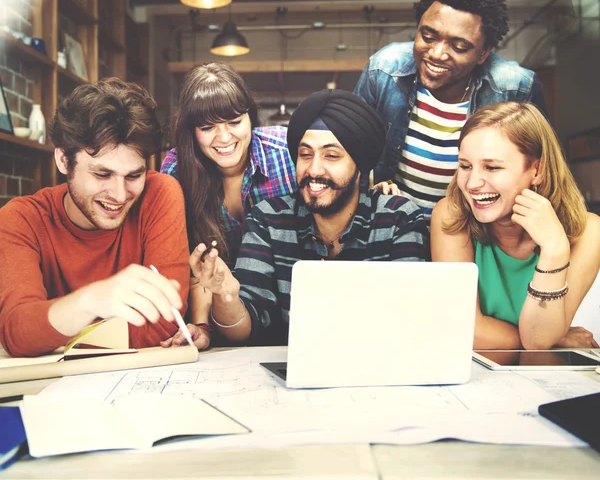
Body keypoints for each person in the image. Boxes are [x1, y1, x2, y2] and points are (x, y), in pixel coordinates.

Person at [166, 89, 428, 348]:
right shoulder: (269, 219)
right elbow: (242, 330)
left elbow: (412, 322)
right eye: (305, 154)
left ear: (360, 164)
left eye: (332, 156)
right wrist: (226, 294)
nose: (314, 169)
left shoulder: (398, 220)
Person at [0, 78, 190, 357]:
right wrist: (91, 301)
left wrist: (53, 334)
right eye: (102, 174)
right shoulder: (20, 219)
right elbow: (18, 333)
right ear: (64, 160)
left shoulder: (159, 193)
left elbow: (164, 324)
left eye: (134, 175)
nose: (119, 193)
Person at [355, 0, 547, 221]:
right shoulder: (384, 70)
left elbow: (543, 171)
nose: (436, 54)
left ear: (483, 54)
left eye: (458, 47)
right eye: (428, 36)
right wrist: (369, 196)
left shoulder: (515, 87)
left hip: (474, 228)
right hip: (395, 225)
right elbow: (351, 152)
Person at [431, 102, 600, 350]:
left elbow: (539, 342)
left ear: (537, 170)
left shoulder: (589, 232)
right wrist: (555, 341)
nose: (472, 183)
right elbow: (466, 330)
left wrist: (554, 249)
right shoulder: (450, 214)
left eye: (492, 167)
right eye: (465, 166)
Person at [159, 62, 296, 349]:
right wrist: (201, 326)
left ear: (250, 117)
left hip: (290, 314)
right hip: (220, 321)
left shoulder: (287, 152)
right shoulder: (175, 170)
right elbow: (194, 263)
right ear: (191, 131)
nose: (224, 139)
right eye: (208, 127)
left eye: (234, 122)